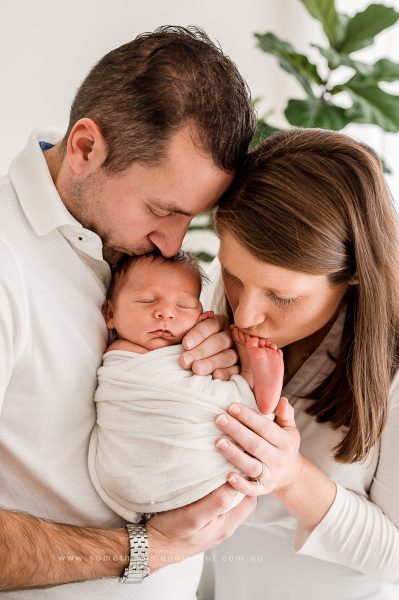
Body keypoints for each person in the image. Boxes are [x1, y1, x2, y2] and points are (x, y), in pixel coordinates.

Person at [0, 26, 258, 597]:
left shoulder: (130, 248)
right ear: (86, 148)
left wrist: (193, 357)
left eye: (191, 219)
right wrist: (150, 550)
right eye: (161, 210)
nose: (172, 244)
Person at [197, 127, 399, 600]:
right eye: (231, 276)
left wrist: (291, 478)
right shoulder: (237, 305)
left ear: (351, 276)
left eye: (281, 297)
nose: (245, 314)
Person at [88, 251, 283, 521]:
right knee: (235, 402)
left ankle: (254, 389)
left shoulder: (201, 347)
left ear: (201, 316)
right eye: (147, 300)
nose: (166, 313)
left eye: (184, 306)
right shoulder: (119, 357)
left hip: (203, 461)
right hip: (136, 469)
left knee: (234, 406)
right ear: (110, 313)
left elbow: (198, 395)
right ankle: (254, 391)